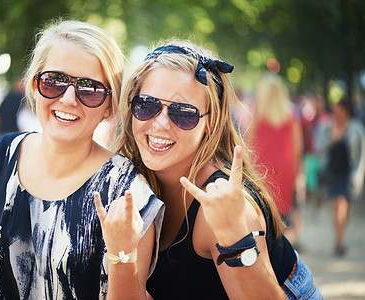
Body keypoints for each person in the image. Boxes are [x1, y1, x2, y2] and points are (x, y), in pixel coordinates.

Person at [0, 19, 164, 299]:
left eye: (89, 88)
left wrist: (122, 254)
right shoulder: (0, 158)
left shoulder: (126, 192)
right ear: (34, 85)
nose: (69, 99)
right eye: (54, 81)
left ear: (108, 105)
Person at [115, 40, 323, 299]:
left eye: (183, 113)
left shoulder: (228, 207)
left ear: (210, 123)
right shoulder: (123, 181)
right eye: (147, 104)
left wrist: (235, 237)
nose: (159, 123)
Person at [247, 73, 304, 246]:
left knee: (264, 205)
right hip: (286, 166)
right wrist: (299, 171)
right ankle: (289, 240)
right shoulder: (290, 112)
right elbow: (297, 145)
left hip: (262, 166)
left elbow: (249, 140)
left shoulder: (257, 111)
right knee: (287, 205)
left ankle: (268, 240)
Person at [315, 99, 365, 256]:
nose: (335, 114)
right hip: (333, 172)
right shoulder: (327, 127)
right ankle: (339, 241)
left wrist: (359, 174)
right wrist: (332, 139)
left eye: (338, 111)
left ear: (346, 111)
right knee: (337, 204)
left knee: (345, 206)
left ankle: (340, 238)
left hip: (348, 172)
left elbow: (361, 153)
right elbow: (318, 146)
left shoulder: (356, 128)